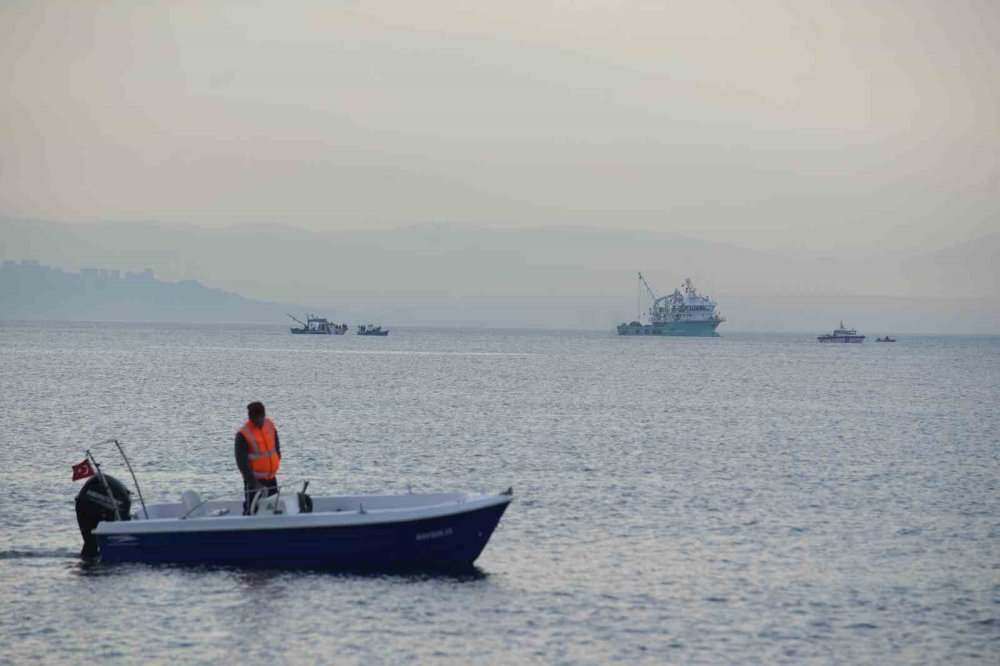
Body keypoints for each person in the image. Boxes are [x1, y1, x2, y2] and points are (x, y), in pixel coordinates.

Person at [235, 401, 281, 514]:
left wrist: (276, 461)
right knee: (252, 510)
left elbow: (276, 446)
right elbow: (242, 465)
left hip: (271, 479)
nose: (256, 421)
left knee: (273, 509)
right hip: (254, 482)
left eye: (258, 418)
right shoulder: (243, 435)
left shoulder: (269, 425)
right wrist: (254, 484)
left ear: (263, 416)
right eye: (253, 418)